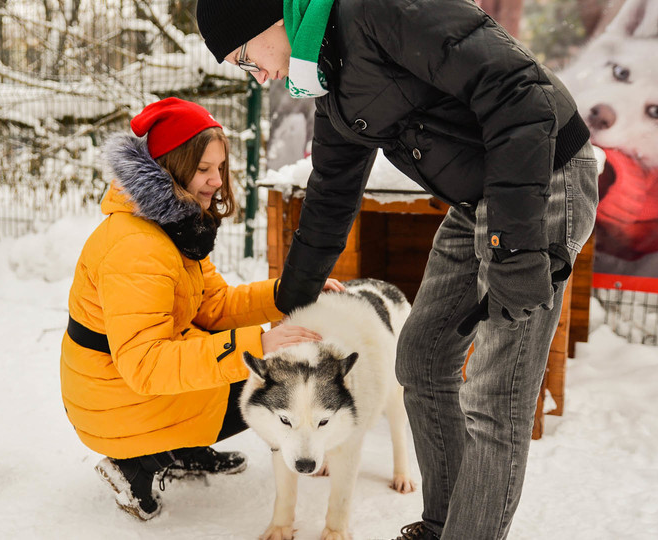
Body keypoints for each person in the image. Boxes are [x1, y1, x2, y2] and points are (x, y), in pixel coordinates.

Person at [195, 1, 599, 539]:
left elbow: (519, 92)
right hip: (478, 198)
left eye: (246, 57)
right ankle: (442, 526)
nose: (257, 73)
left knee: (493, 399)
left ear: (271, 17)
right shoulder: (328, 76)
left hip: (541, 184)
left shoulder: (379, 11)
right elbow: (331, 196)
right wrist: (291, 301)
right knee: (423, 358)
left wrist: (516, 249)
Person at [60, 97, 343, 520]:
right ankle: (135, 464)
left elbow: (213, 306)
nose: (215, 181)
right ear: (170, 166)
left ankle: (179, 445)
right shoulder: (136, 247)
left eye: (220, 168)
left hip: (119, 383)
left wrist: (288, 294)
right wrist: (259, 344)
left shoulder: (171, 226)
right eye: (203, 169)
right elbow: (146, 364)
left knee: (232, 360)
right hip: (111, 397)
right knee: (263, 385)